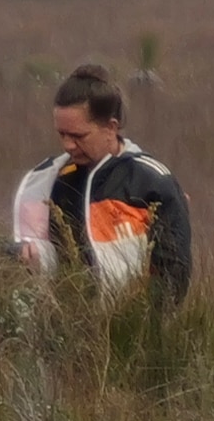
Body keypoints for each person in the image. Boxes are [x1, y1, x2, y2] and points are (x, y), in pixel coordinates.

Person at [23, 62, 193, 304]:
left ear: (111, 128)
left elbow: (174, 275)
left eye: (78, 136)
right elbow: (56, 261)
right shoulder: (54, 182)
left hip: (138, 328)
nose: (68, 145)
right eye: (62, 134)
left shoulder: (152, 181)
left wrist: (139, 324)